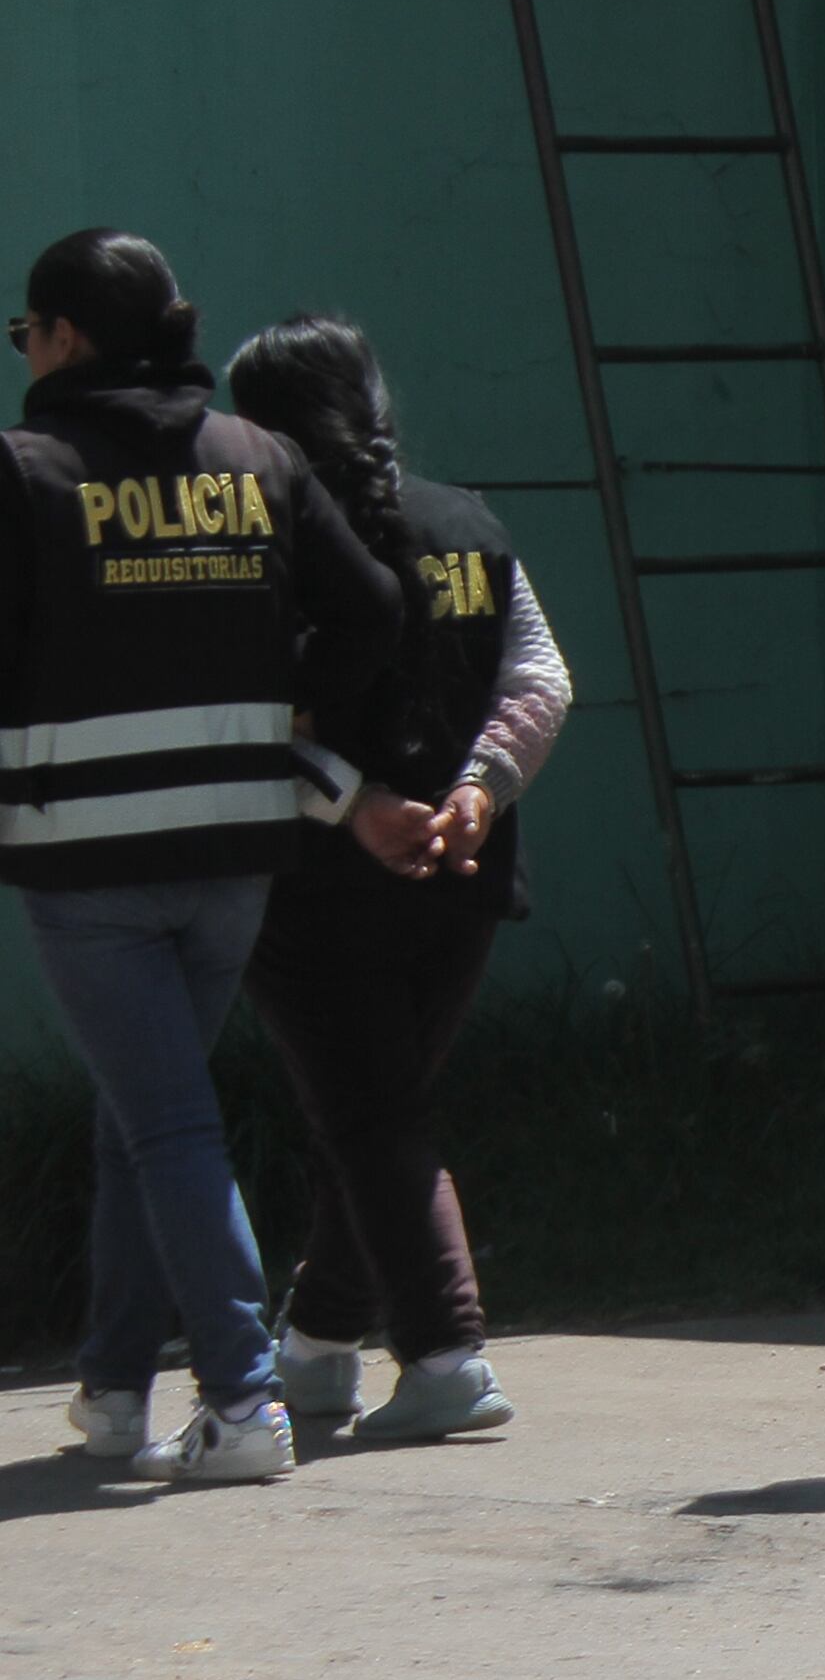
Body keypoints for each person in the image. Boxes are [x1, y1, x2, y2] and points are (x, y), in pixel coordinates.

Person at [5, 231, 402, 1485]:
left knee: (169, 1121)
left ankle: (240, 1401)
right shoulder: (259, 457)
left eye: (25, 332)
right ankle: (117, 1392)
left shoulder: (25, 473)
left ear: (66, 338)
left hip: (88, 857)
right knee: (144, 1117)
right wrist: (315, 753)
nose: (24, 353)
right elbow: (374, 610)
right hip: (236, 848)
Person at [226, 316, 575, 1447]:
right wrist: (478, 792)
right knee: (373, 1118)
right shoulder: (468, 522)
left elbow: (246, 719)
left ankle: (447, 1355)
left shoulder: (268, 545)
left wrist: (353, 803)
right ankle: (320, 1350)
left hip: (313, 887)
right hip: (460, 881)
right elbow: (541, 679)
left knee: (370, 1118)